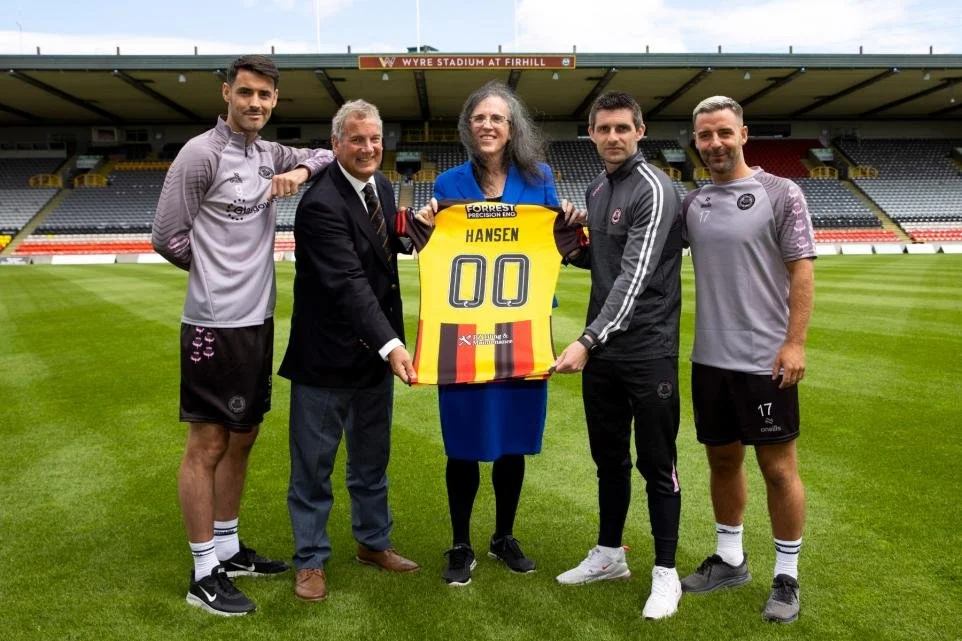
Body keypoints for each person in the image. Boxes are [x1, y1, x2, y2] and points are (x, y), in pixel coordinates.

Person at [152, 54, 334, 617]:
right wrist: (213, 277)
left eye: (265, 96)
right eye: (246, 93)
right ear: (227, 93)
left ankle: (229, 549)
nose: (255, 103)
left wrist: (299, 173)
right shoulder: (200, 154)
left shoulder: (268, 154)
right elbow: (165, 234)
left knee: (244, 436)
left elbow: (325, 154)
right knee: (206, 445)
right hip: (213, 322)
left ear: (275, 102)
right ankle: (203, 571)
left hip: (256, 322)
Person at [413, 81, 581, 587]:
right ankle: (461, 542)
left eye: (498, 119)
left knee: (512, 440)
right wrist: (424, 225)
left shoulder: (541, 180)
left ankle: (503, 535)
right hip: (462, 329)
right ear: (468, 126)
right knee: (462, 441)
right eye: (479, 118)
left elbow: (558, 246)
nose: (488, 126)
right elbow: (433, 251)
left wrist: (571, 220)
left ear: (512, 129)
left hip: (523, 327)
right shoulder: (448, 185)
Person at [678, 95, 815, 624]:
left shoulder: (781, 192)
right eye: (705, 135)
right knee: (722, 460)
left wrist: (795, 342)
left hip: (765, 359)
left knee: (778, 468)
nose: (715, 143)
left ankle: (787, 576)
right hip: (710, 358)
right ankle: (731, 559)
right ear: (695, 141)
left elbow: (801, 270)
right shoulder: (693, 204)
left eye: (723, 133)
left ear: (743, 134)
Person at [277, 99, 419, 604]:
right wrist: (393, 344)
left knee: (371, 459)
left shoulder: (379, 186)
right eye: (356, 139)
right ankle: (310, 559)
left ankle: (372, 542)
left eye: (374, 138)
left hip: (371, 359)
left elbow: (383, 247)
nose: (368, 147)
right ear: (335, 144)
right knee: (313, 466)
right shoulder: (319, 204)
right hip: (326, 360)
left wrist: (419, 229)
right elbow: (349, 283)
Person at [553, 91, 684, 620]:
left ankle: (666, 573)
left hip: (647, 350)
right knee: (609, 460)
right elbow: (605, 262)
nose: (612, 137)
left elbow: (635, 278)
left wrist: (586, 341)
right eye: (602, 129)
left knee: (658, 464)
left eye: (621, 128)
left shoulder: (655, 187)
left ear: (640, 130)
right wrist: (571, 246)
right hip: (605, 352)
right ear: (591, 134)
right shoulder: (597, 187)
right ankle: (610, 555)